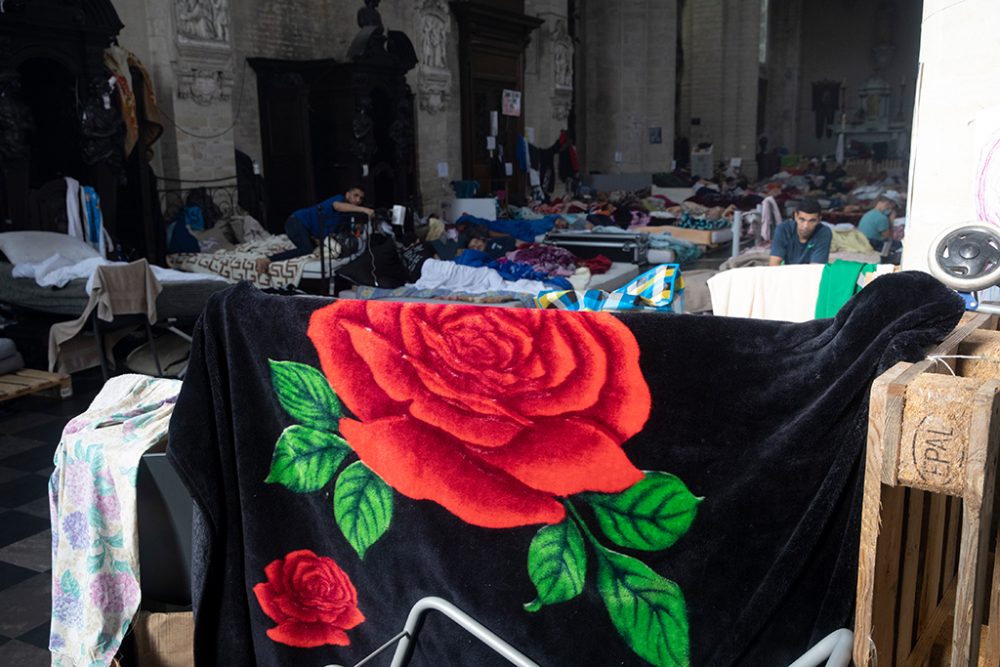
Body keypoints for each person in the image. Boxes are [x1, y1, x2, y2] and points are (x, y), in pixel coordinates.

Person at [260, 187, 374, 271]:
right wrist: (364, 210)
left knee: (314, 248)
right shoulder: (340, 199)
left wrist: (357, 228)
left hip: (306, 229)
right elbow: (337, 206)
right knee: (307, 248)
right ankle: (268, 259)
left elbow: (342, 233)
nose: (358, 200)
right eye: (356, 195)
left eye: (361, 198)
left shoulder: (347, 216)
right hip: (296, 221)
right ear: (348, 194)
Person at [769, 197, 832, 266]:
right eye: (802, 219)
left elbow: (816, 269)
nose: (806, 226)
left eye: (812, 221)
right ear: (795, 216)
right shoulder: (783, 229)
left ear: (819, 220)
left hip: (810, 275)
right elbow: (774, 265)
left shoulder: (824, 233)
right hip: (786, 273)